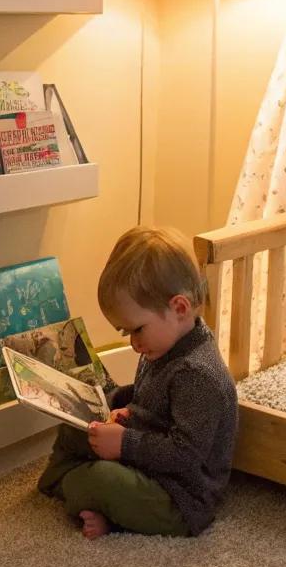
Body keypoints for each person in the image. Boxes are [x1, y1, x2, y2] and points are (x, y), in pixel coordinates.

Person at [38, 226, 237, 540]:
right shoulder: (163, 343)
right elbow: (150, 399)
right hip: (146, 458)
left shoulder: (199, 375)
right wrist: (116, 405)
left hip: (178, 497)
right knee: (77, 427)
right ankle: (66, 485)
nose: (133, 343)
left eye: (136, 330)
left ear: (179, 308)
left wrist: (123, 444)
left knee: (99, 479)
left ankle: (94, 502)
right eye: (125, 333)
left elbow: (184, 456)